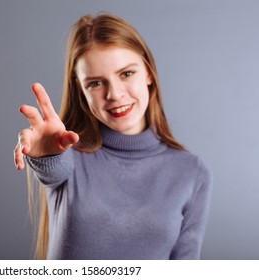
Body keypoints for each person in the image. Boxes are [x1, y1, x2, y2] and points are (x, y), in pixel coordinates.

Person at [14, 12, 212, 260]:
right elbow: (53, 167)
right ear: (81, 91)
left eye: (127, 73)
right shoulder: (68, 155)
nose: (115, 95)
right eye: (96, 83)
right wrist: (47, 154)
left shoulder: (192, 173)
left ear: (149, 73)